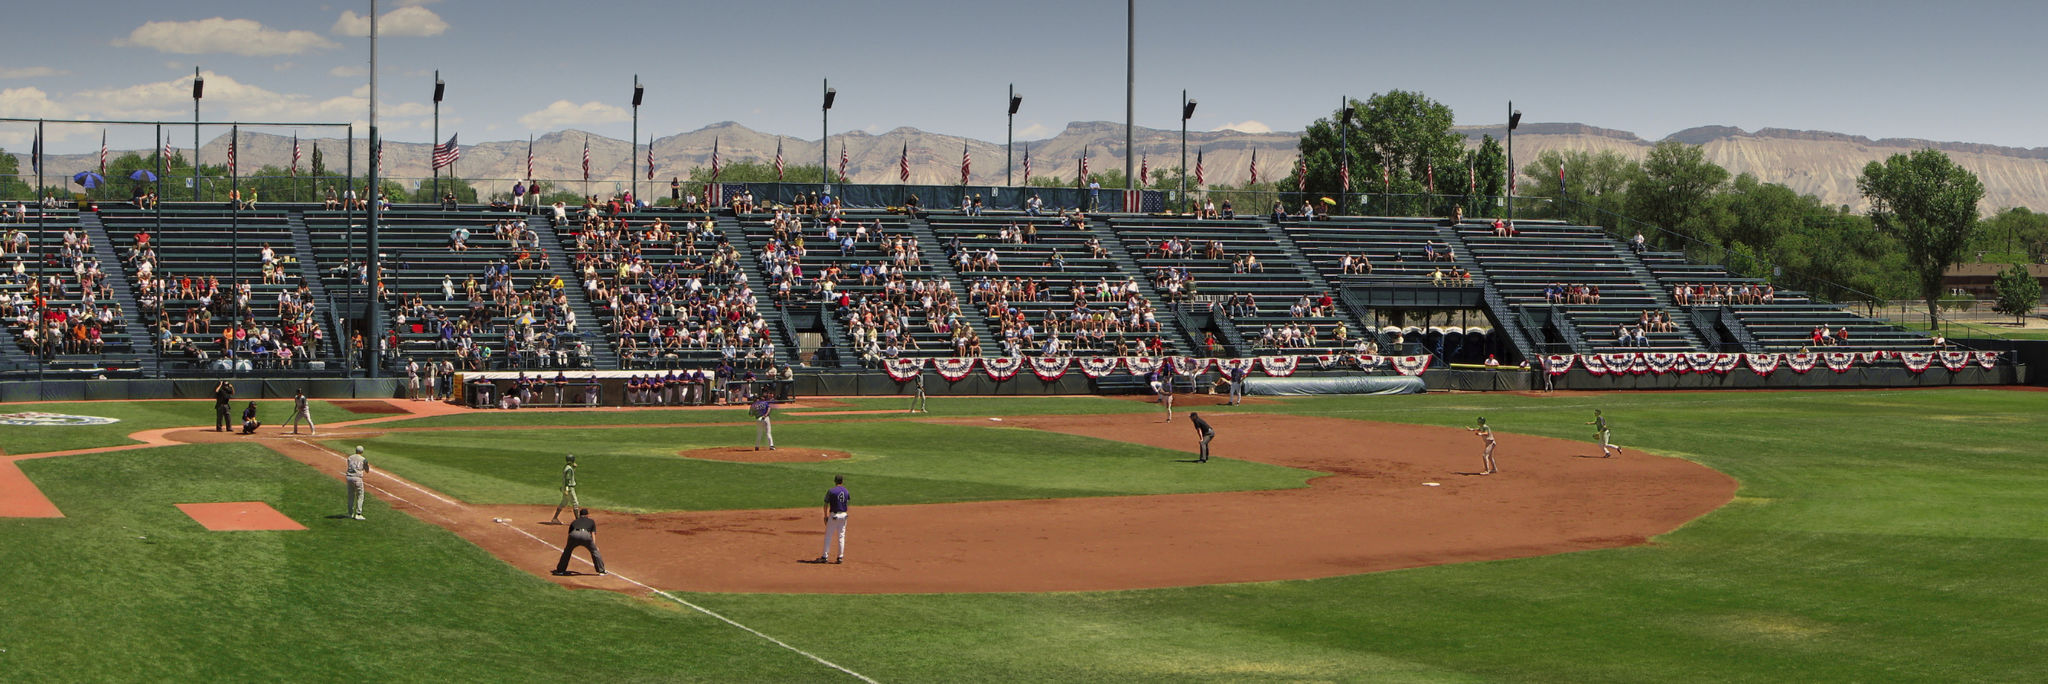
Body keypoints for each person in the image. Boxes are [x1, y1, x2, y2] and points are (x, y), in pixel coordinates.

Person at [551, 508, 607, 576]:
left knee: (567, 552)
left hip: (574, 535)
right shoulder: (591, 521)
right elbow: (593, 534)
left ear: (580, 515)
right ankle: (601, 571)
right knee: (595, 551)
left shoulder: (574, 521)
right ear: (587, 515)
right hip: (585, 535)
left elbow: (570, 534)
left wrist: (568, 546)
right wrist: (594, 546)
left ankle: (560, 571)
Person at [817, 475, 850, 564]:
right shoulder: (846, 491)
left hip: (834, 515)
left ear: (835, 481)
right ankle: (840, 557)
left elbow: (826, 504)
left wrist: (825, 516)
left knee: (828, 536)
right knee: (841, 536)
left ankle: (825, 556)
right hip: (844, 515)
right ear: (842, 481)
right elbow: (846, 502)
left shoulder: (831, 491)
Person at [550, 454, 580, 524]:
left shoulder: (566, 467)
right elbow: (567, 479)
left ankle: (555, 518)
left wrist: (574, 468)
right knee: (575, 503)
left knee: (563, 503)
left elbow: (570, 475)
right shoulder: (569, 469)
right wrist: (567, 489)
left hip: (565, 487)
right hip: (569, 488)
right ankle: (578, 521)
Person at [344, 446, 369, 520]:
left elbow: (349, 465)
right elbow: (367, 470)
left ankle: (350, 514)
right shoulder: (363, 459)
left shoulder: (350, 457)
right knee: (360, 496)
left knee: (350, 496)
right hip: (357, 478)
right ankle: (358, 514)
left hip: (349, 477)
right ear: (362, 451)